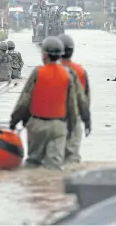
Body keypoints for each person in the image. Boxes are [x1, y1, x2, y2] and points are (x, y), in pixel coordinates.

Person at [9, 36, 78, 170]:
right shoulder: (67, 74)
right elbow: (72, 105)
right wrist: (72, 127)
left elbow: (25, 100)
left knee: (34, 163)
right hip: (59, 126)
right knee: (54, 166)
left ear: (45, 55)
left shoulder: (38, 72)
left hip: (38, 125)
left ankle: (35, 188)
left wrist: (15, 120)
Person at [57, 34, 92, 164]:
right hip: (75, 118)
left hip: (54, 118)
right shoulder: (80, 71)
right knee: (72, 158)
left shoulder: (50, 70)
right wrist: (87, 120)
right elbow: (85, 98)